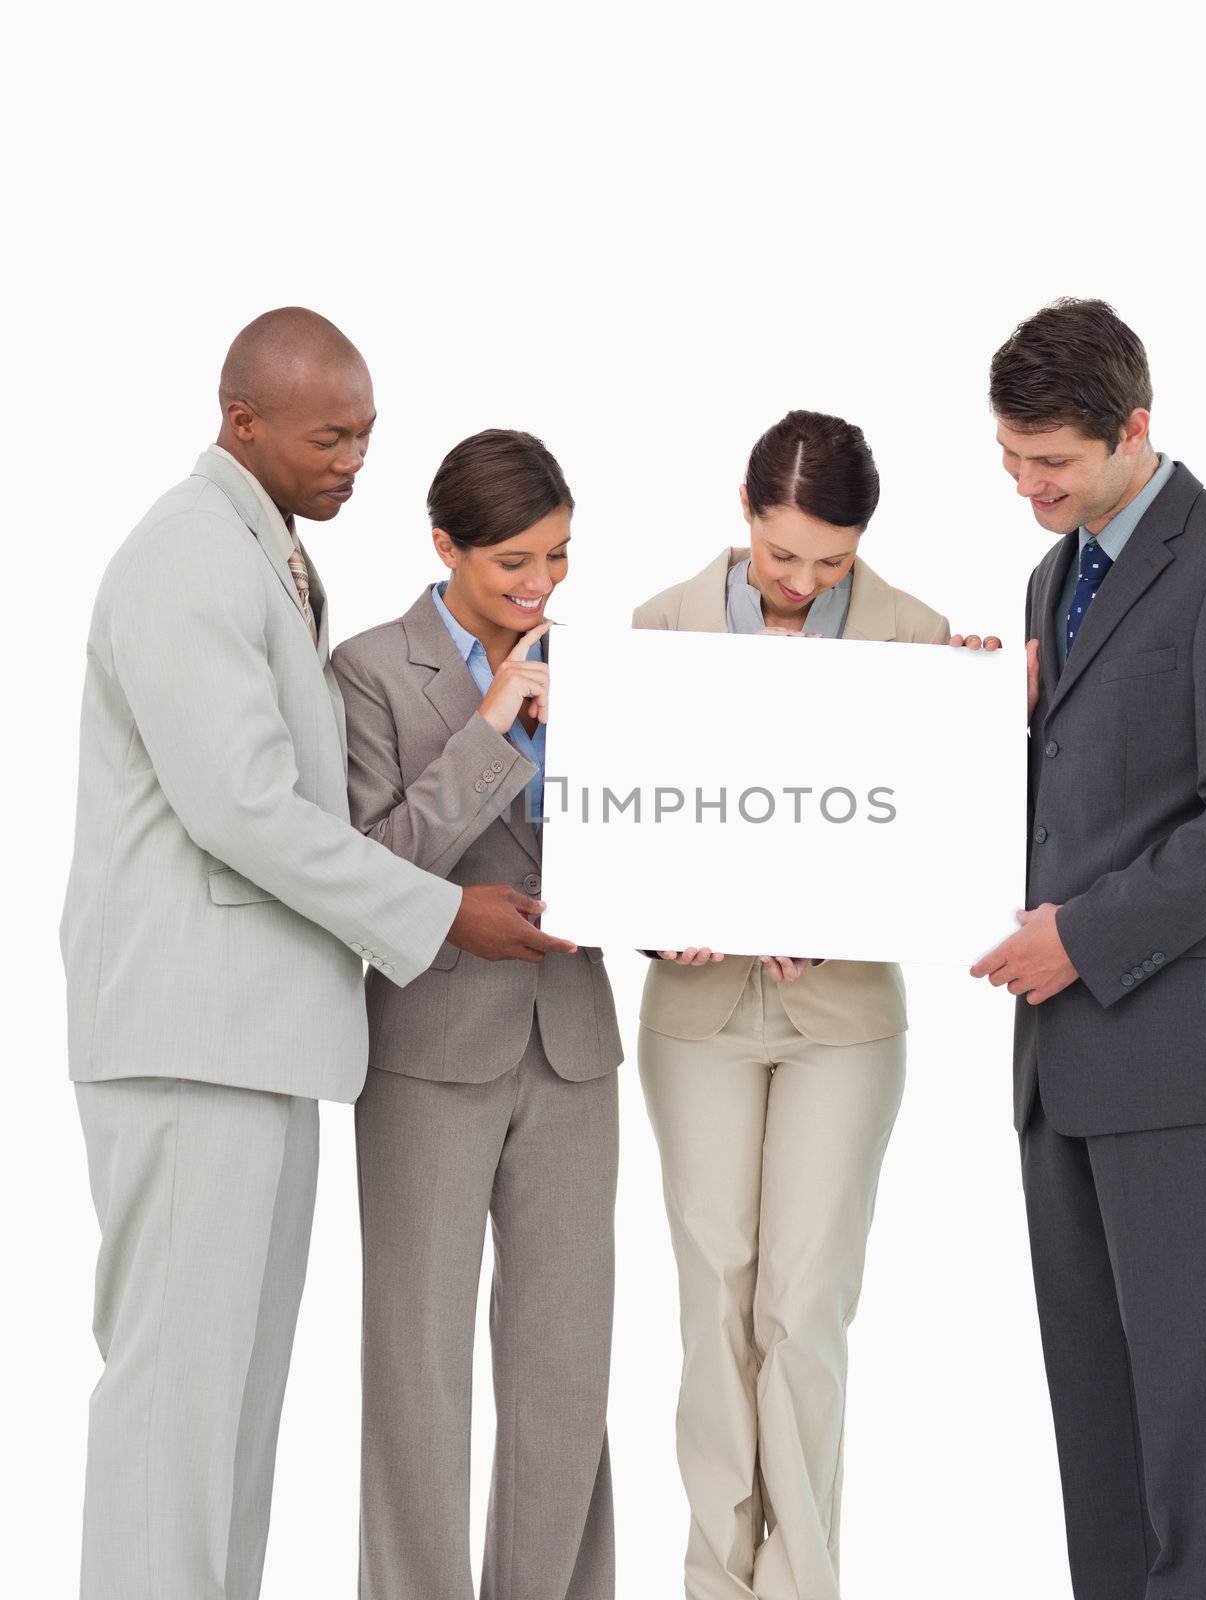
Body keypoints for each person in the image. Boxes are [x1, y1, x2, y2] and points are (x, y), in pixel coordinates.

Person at [59, 312, 572, 1600]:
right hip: (193, 1040)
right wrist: (437, 913)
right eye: (328, 435)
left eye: (366, 435)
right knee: (175, 1409)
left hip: (263, 1039)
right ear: (243, 424)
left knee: (228, 1418)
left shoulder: (268, 553)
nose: (354, 460)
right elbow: (240, 806)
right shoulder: (188, 555)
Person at [973, 297, 1206, 1600]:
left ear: (1132, 429)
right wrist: (968, 726)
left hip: (1175, 1052)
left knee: (1196, 1419)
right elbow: (1070, 790)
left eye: (1049, 463)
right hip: (1056, 1066)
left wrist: (1083, 937)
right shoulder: (1047, 572)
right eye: (1007, 461)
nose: (1025, 487)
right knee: (1097, 1425)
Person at [633, 409, 997, 1600]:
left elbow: (948, 854)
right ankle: (713, 1576)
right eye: (784, 556)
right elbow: (617, 839)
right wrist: (659, 912)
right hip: (697, 1015)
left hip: (843, 1021)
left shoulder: (921, 638)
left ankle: (799, 1582)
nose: (801, 583)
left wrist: (986, 721)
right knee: (713, 1297)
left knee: (804, 1303)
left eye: (829, 563)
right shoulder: (658, 630)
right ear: (746, 515)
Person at [331, 428, 622, 1600]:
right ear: (444, 545)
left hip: (573, 1046)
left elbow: (641, 833)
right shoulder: (365, 669)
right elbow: (358, 866)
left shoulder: (597, 666)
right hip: (429, 1052)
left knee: (564, 1374)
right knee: (419, 1366)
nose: (541, 585)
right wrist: (491, 723)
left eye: (557, 555)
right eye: (512, 563)